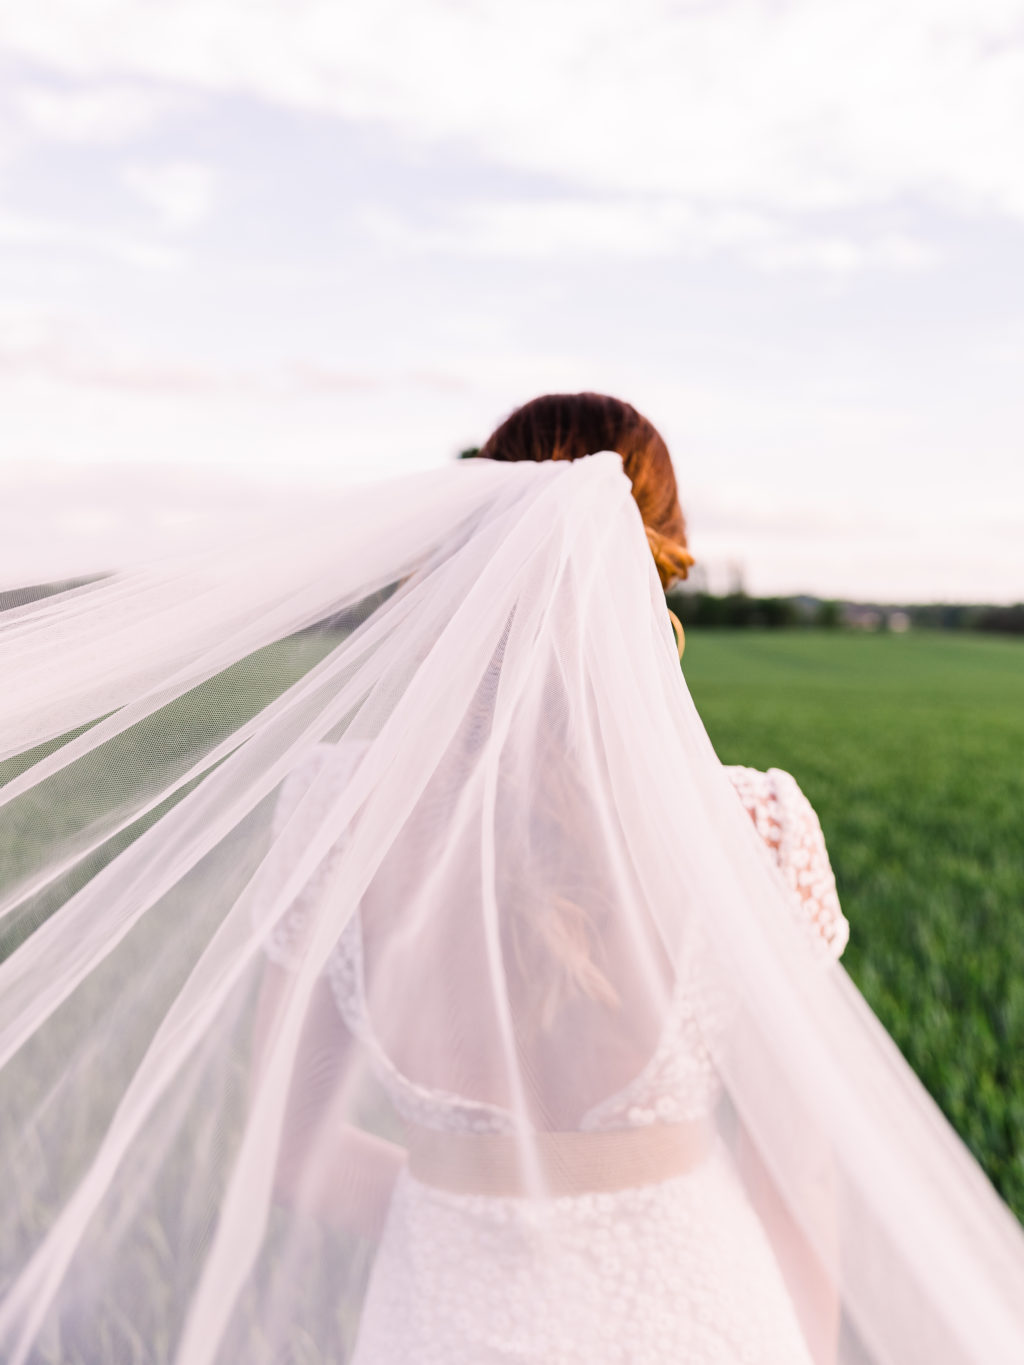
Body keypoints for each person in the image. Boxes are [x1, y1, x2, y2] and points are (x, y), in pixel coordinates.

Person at [0, 394, 1023, 1365]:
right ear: (658, 571)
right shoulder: (753, 829)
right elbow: (798, 1169)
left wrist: (467, 1208)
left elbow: (290, 1152)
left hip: (447, 1318)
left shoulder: (339, 815)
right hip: (705, 1319)